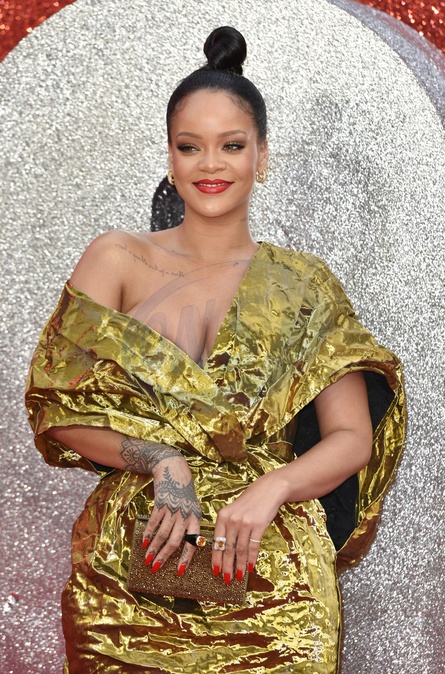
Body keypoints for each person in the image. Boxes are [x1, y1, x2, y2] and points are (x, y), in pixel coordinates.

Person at [25, 26, 405, 674]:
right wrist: (162, 460)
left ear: (262, 157)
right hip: (129, 576)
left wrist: (274, 487)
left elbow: (351, 440)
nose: (210, 164)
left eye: (231, 145)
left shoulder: (305, 285)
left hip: (276, 584)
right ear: (171, 158)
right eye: (190, 146)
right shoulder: (115, 257)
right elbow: (59, 412)